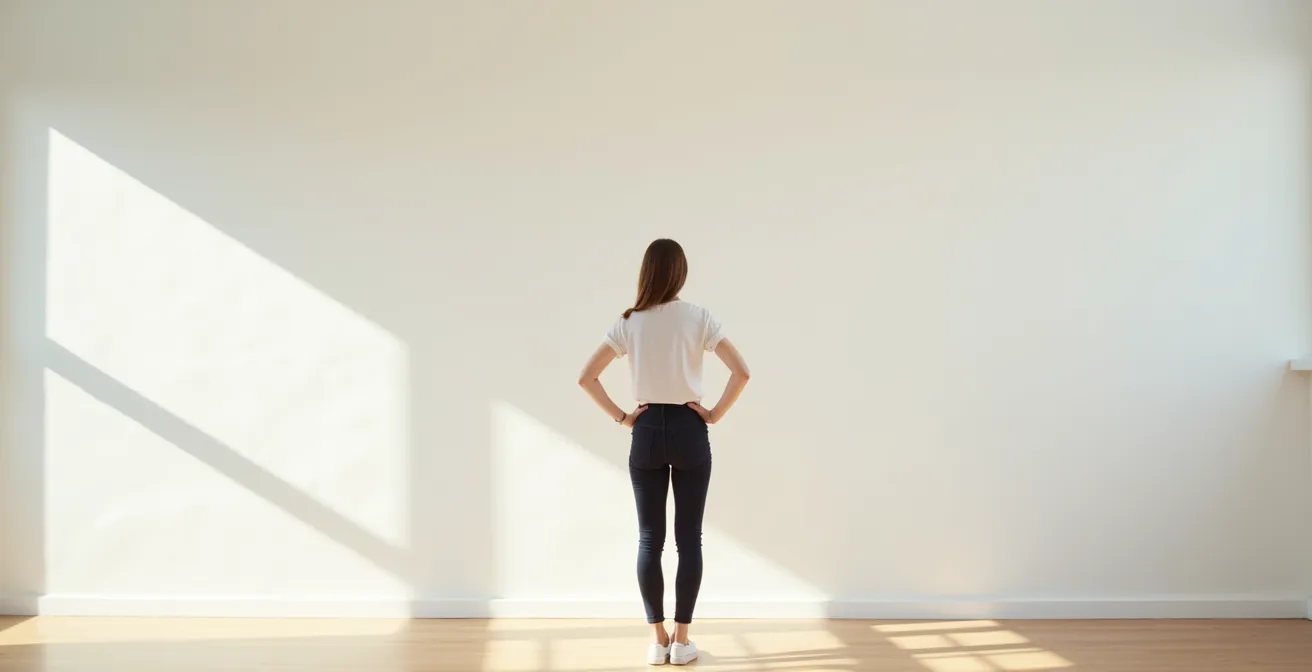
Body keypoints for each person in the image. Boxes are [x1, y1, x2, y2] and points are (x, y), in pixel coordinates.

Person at [577, 238, 751, 666]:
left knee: (649, 539)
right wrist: (712, 414)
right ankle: (683, 640)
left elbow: (586, 377)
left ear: (646, 272)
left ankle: (658, 640)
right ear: (680, 273)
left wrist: (624, 418)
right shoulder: (698, 318)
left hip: (648, 429)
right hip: (691, 428)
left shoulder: (629, 321)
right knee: (689, 538)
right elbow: (741, 372)